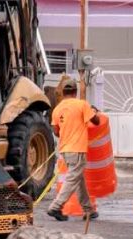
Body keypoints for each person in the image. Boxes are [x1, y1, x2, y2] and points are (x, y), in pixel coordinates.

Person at [46, 79, 100, 222]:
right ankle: (55, 207)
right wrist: (94, 112)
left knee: (78, 179)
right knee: (72, 179)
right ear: (75, 92)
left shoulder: (57, 109)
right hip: (78, 150)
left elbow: (56, 131)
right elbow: (96, 121)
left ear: (63, 93)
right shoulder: (82, 105)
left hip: (65, 150)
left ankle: (88, 210)